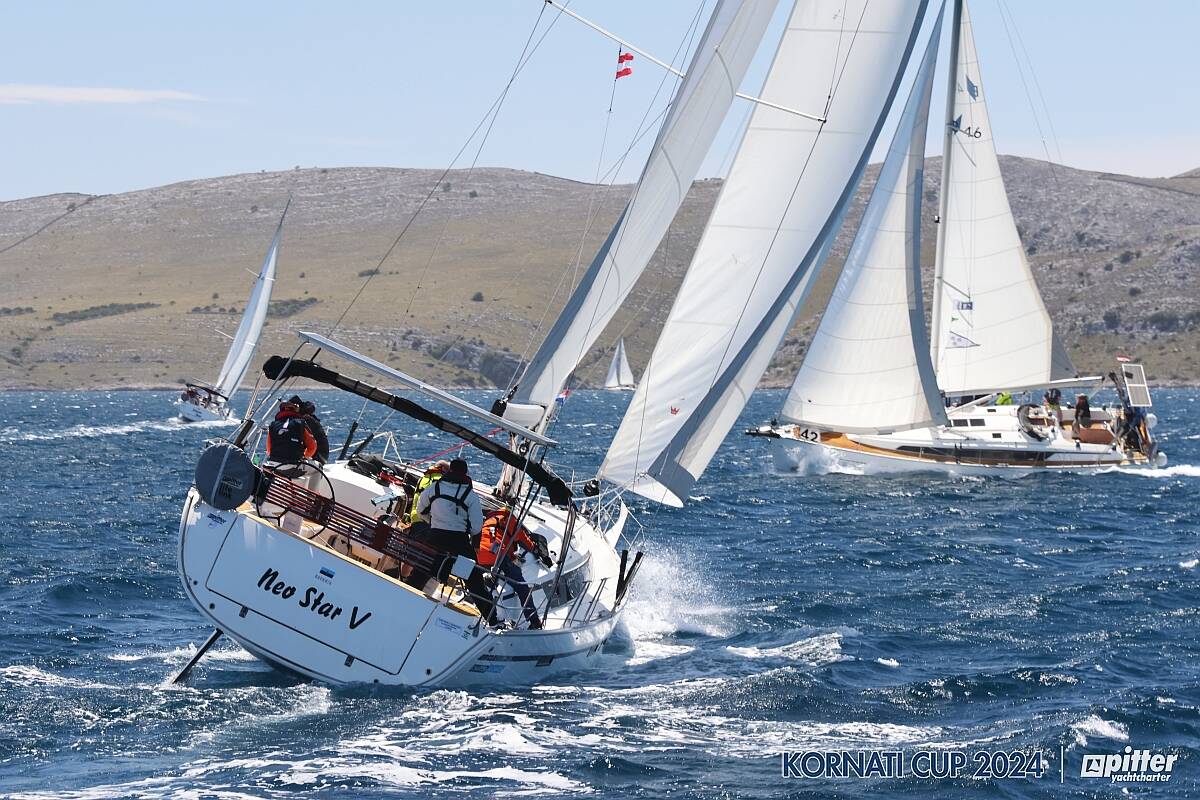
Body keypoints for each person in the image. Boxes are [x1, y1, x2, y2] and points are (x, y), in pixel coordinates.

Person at [414, 458, 493, 620]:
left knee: (421, 570)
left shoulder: (434, 488)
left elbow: (420, 510)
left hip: (434, 537)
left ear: (449, 471)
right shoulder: (470, 495)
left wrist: (434, 521)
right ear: (465, 473)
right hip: (459, 542)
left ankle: (405, 596)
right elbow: (477, 527)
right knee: (474, 581)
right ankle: (492, 618)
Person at [477, 508, 553, 629]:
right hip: (497, 556)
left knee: (477, 578)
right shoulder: (511, 521)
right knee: (522, 587)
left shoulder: (488, 520)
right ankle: (534, 621)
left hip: (478, 554)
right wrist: (539, 551)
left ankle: (489, 580)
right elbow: (526, 543)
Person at [266, 398, 317, 464]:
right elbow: (312, 447)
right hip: (294, 464)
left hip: (275, 463)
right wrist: (304, 456)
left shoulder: (273, 425)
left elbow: (268, 449)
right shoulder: (301, 423)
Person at [408, 460, 450, 525]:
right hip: (426, 520)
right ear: (443, 469)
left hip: (414, 518)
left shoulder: (422, 478)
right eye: (447, 471)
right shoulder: (439, 480)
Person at [294, 397, 330, 463]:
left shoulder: (305, 420)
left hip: (318, 458)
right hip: (322, 456)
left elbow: (309, 444)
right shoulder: (311, 419)